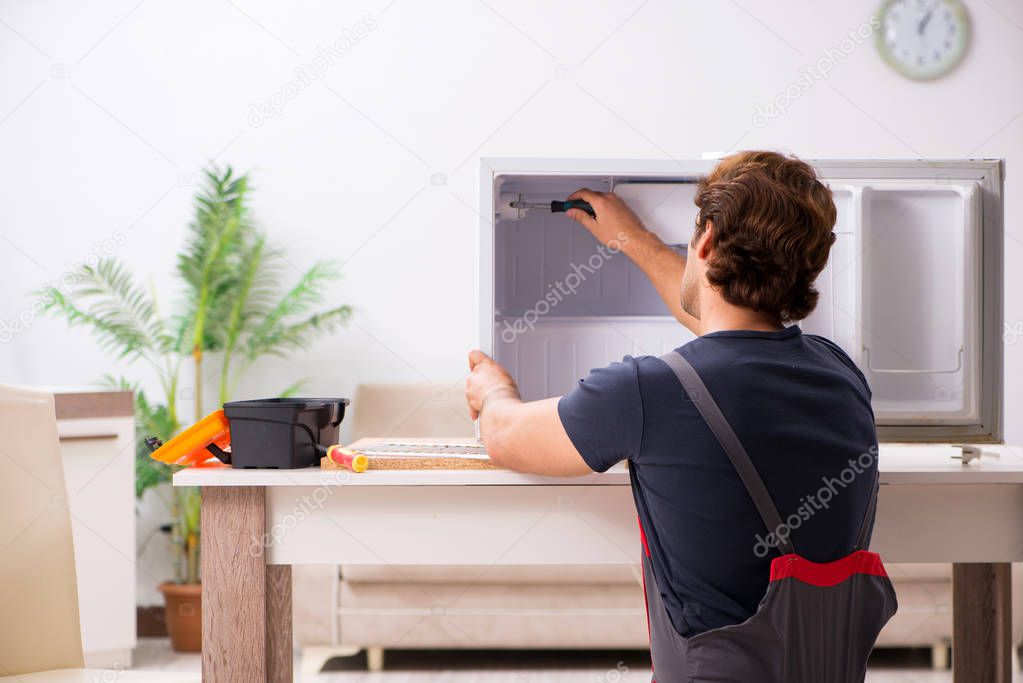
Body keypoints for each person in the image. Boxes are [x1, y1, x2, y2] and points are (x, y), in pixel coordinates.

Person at [465, 151, 892, 680]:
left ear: (706, 242)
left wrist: (495, 390)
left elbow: (506, 437)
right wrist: (634, 240)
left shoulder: (647, 391)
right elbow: (728, 337)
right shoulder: (840, 373)